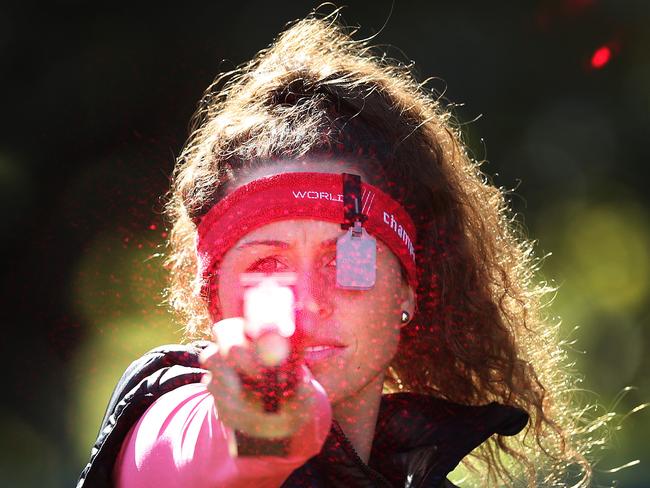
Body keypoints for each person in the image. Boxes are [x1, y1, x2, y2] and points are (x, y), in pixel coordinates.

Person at [77, 10, 605, 488]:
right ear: (213, 296)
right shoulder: (163, 415)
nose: (308, 300)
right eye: (267, 265)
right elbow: (195, 449)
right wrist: (262, 436)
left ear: (408, 289)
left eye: (346, 261)